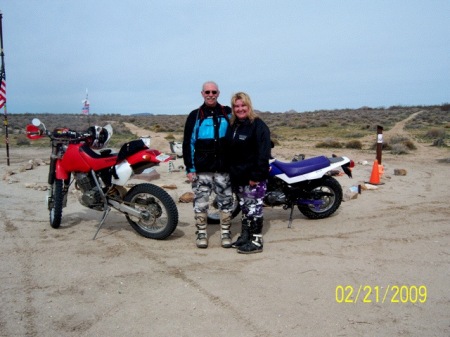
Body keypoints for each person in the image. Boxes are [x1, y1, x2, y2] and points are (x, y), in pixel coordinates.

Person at [182, 81, 234, 249]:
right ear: (202, 93)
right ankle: (202, 233)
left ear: (218, 93)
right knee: (201, 203)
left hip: (223, 168)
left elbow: (236, 139)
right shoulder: (195, 115)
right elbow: (188, 143)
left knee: (226, 201)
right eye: (207, 92)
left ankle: (226, 233)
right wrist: (190, 168)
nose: (210, 95)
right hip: (202, 170)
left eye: (213, 92)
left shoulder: (227, 112)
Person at [227, 92, 271, 254]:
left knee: (255, 208)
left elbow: (263, 153)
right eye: (236, 106)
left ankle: (257, 240)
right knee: (245, 208)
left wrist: (256, 176)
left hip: (253, 177)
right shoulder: (234, 125)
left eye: (243, 105)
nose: (240, 109)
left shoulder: (258, 125)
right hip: (238, 176)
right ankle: (245, 236)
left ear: (249, 106)